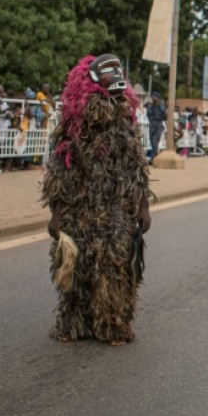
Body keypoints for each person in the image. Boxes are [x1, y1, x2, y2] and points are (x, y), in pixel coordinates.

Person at [41, 54, 152, 346]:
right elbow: (60, 169)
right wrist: (57, 213)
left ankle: (112, 325)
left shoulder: (124, 123)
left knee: (113, 268)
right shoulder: (73, 126)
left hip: (115, 210)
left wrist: (142, 206)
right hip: (78, 209)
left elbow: (136, 166)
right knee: (73, 266)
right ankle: (74, 323)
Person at [146, 92, 166, 164]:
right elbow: (148, 115)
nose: (153, 98)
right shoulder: (149, 107)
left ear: (158, 98)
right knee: (152, 141)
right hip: (152, 126)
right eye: (152, 96)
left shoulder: (162, 107)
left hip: (159, 126)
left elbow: (165, 117)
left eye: (155, 96)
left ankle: (153, 158)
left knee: (155, 141)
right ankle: (155, 156)